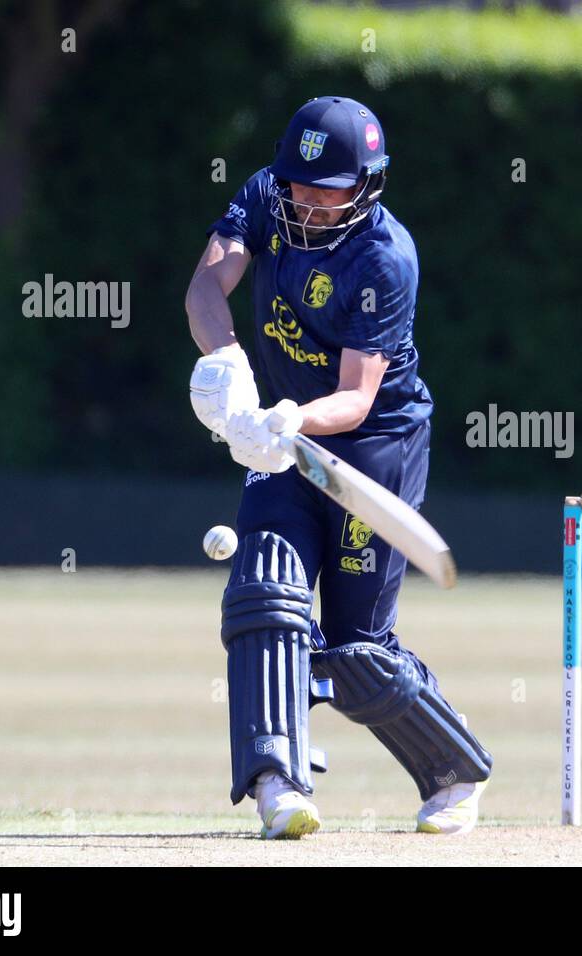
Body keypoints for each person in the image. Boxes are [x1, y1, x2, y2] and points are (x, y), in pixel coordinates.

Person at [185, 95, 492, 838]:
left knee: (356, 654)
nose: (309, 204)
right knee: (264, 592)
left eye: (329, 193)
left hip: (373, 444)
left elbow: (355, 398)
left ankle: (454, 771)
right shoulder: (268, 194)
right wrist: (226, 364)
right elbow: (205, 287)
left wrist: (290, 418)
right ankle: (276, 784)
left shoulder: (386, 259)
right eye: (299, 187)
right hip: (280, 442)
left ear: (367, 187)